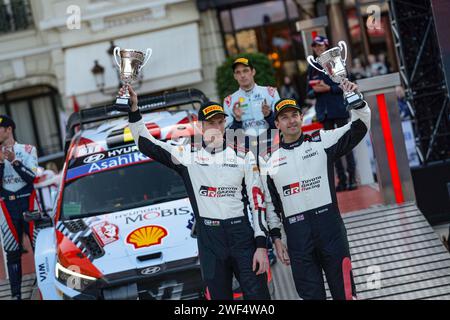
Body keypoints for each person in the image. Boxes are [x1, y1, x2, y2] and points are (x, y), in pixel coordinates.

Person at [121, 85, 271, 300]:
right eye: (211, 123)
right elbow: (146, 144)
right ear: (201, 126)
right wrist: (134, 111)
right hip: (210, 239)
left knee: (259, 298)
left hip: (242, 235)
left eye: (221, 122)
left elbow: (258, 203)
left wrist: (261, 246)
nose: (217, 128)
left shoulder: (243, 155)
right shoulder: (187, 155)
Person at [260, 80, 371, 300]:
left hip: (330, 229)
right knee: (311, 296)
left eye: (294, 115)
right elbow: (271, 204)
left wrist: (356, 101)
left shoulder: (322, 141)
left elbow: (359, 128)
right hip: (297, 235)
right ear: (277, 124)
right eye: (284, 117)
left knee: (346, 293)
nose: (291, 121)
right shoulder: (269, 160)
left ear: (301, 117)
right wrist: (276, 238)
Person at [307, 35, 358, 191]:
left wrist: (328, 88)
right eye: (315, 46)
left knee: (346, 144)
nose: (317, 48)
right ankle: (341, 180)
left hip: (339, 109)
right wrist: (315, 90)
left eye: (320, 45)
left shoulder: (335, 60)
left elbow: (345, 84)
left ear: (326, 45)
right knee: (331, 147)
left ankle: (352, 179)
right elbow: (308, 91)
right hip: (324, 112)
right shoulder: (312, 66)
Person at [0, 115, 39, 300]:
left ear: (9, 129)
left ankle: (42, 285)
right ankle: (16, 296)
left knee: (38, 247)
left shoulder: (28, 149)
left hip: (27, 201)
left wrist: (15, 161)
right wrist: (0, 163)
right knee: (12, 252)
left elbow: (31, 178)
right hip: (7, 206)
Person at [224, 57, 280, 143]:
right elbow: (230, 136)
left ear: (253, 72)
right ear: (235, 76)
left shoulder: (270, 93)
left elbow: (281, 125)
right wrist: (237, 120)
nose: (242, 75)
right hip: (246, 149)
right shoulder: (229, 101)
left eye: (245, 71)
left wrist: (269, 115)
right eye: (238, 72)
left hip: (271, 144)